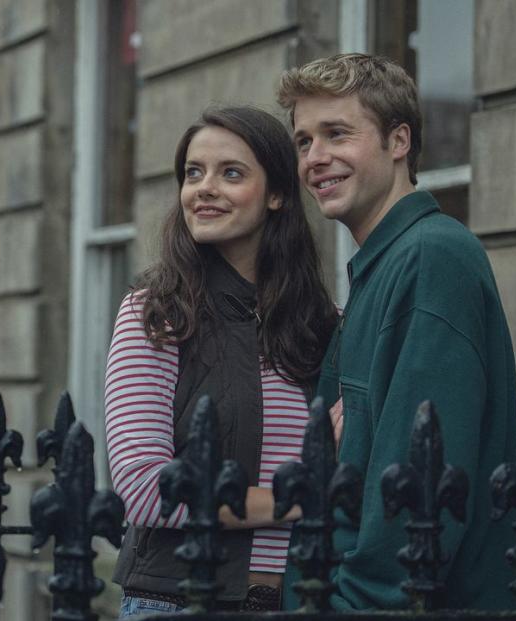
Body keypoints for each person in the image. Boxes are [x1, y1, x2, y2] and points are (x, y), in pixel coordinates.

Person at [276, 53, 516, 610]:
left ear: (399, 141)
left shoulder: (433, 259)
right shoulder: (382, 265)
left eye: (337, 133)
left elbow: (417, 494)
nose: (316, 158)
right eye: (304, 141)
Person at [106, 106, 337, 616]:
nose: (204, 188)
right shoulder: (156, 312)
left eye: (230, 172)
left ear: (277, 194)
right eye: (193, 173)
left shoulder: (323, 324)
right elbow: (146, 490)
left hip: (302, 599)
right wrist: (294, 500)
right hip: (179, 600)